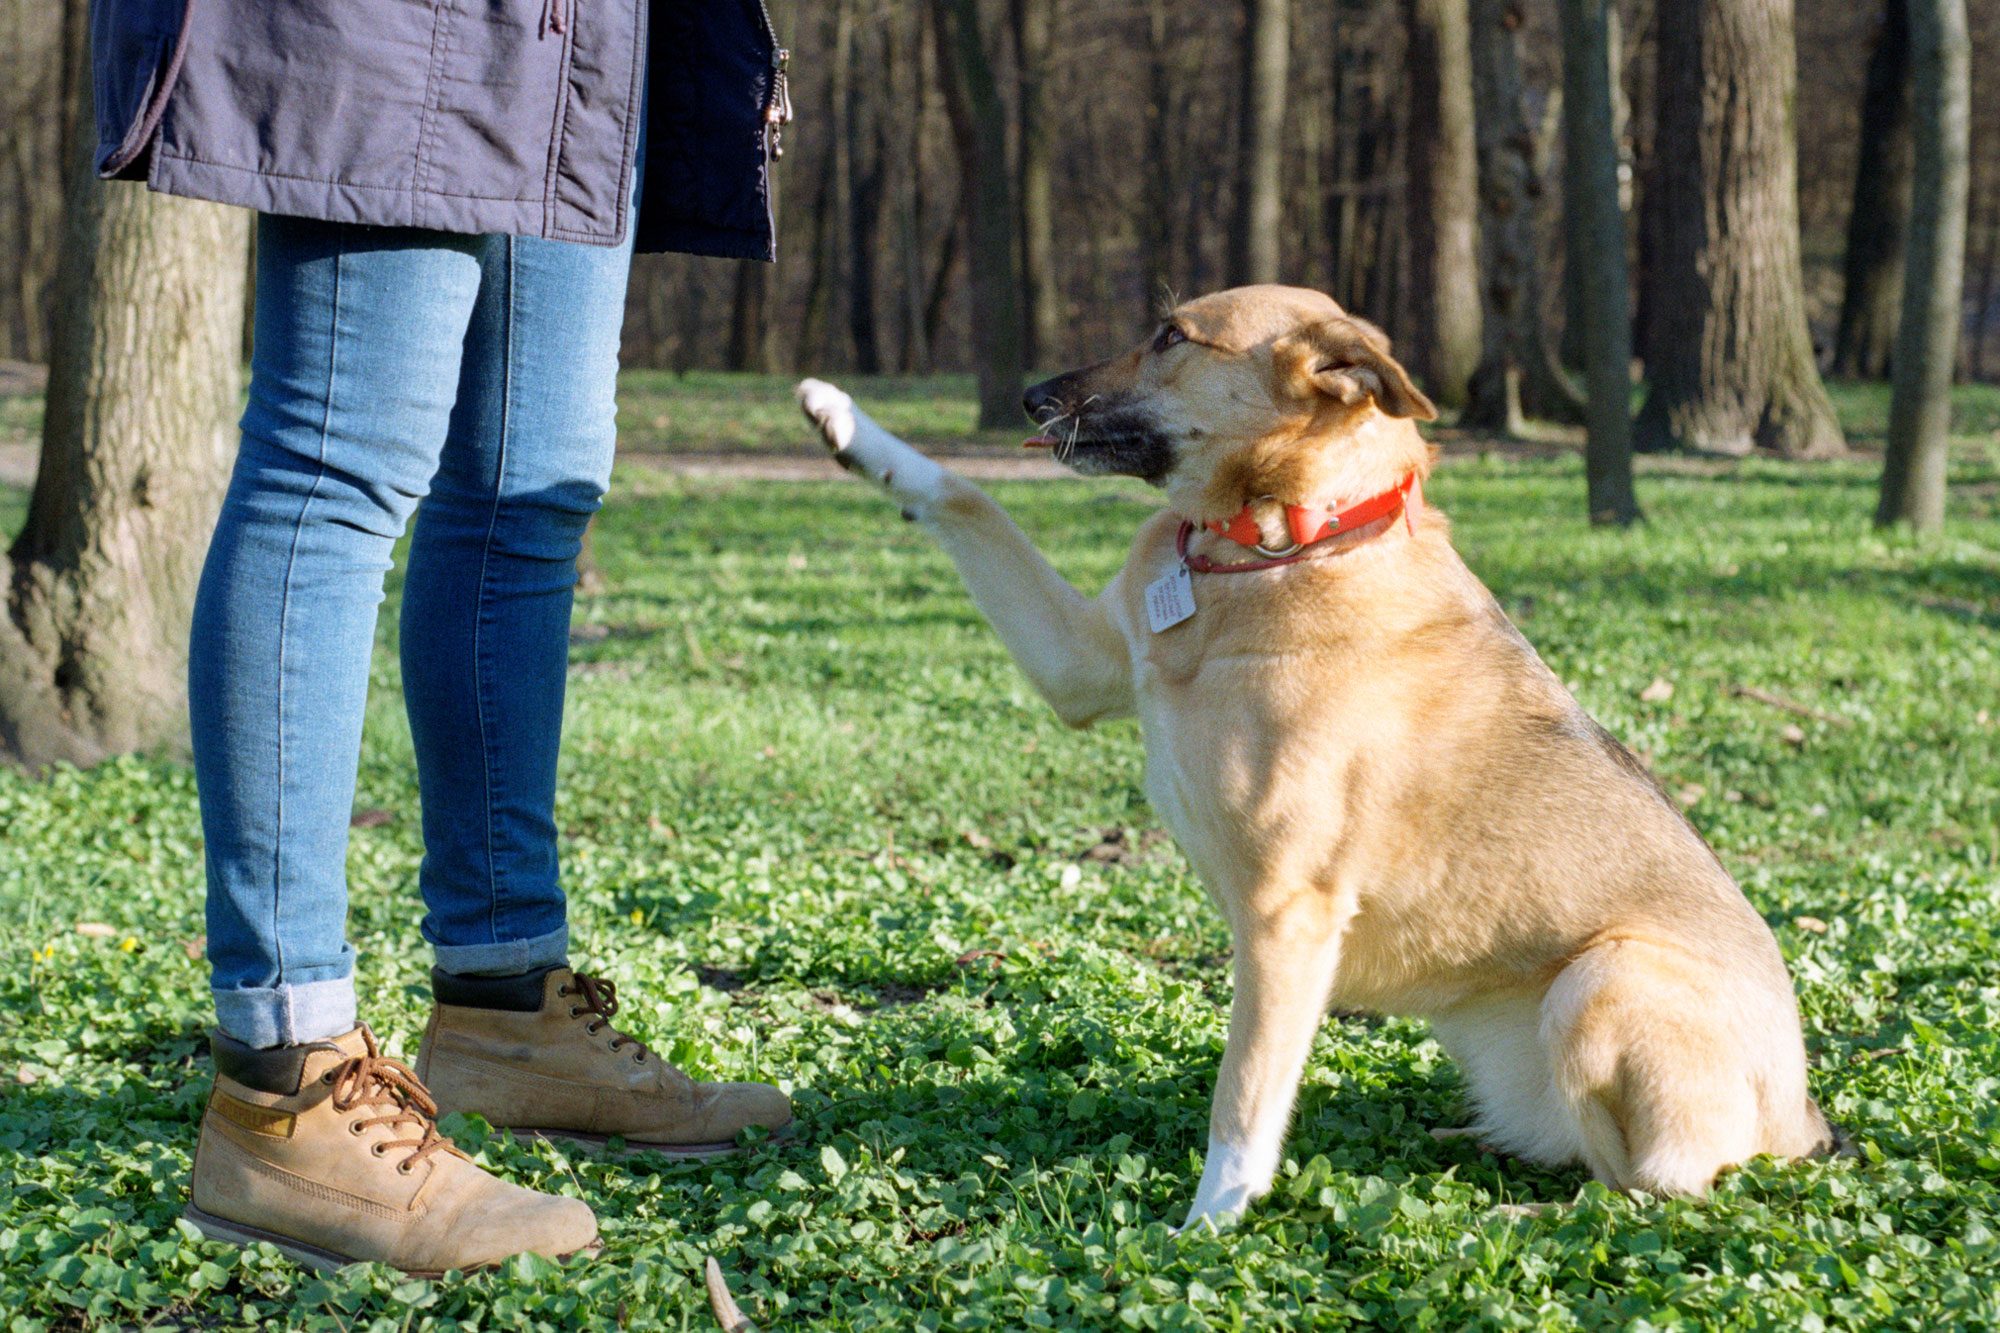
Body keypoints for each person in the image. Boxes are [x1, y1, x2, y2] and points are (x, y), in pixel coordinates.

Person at [91, 0, 795, 1274]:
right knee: (336, 464)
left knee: (532, 489)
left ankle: (502, 1005)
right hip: (405, 26)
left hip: (581, 35)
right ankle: (283, 1080)